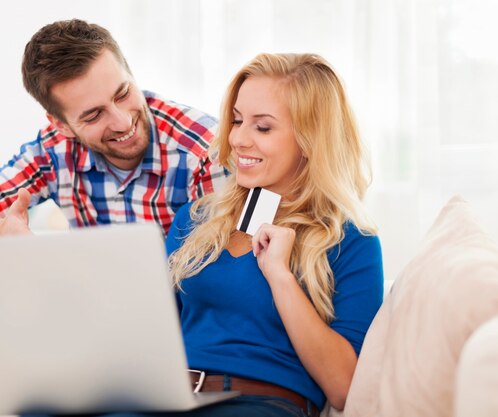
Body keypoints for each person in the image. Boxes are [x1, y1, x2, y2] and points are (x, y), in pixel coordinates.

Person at [79, 53, 384, 417]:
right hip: (169, 399)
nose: (238, 139)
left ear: (310, 138)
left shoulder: (351, 240)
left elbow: (342, 386)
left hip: (259, 404)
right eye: (237, 121)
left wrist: (280, 276)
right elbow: (155, 337)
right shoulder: (196, 220)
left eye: (263, 127)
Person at [0, 19, 227, 240]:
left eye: (122, 93)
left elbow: (233, 271)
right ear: (61, 125)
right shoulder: (53, 151)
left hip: (192, 317)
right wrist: (0, 232)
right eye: (94, 114)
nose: (122, 121)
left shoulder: (203, 148)